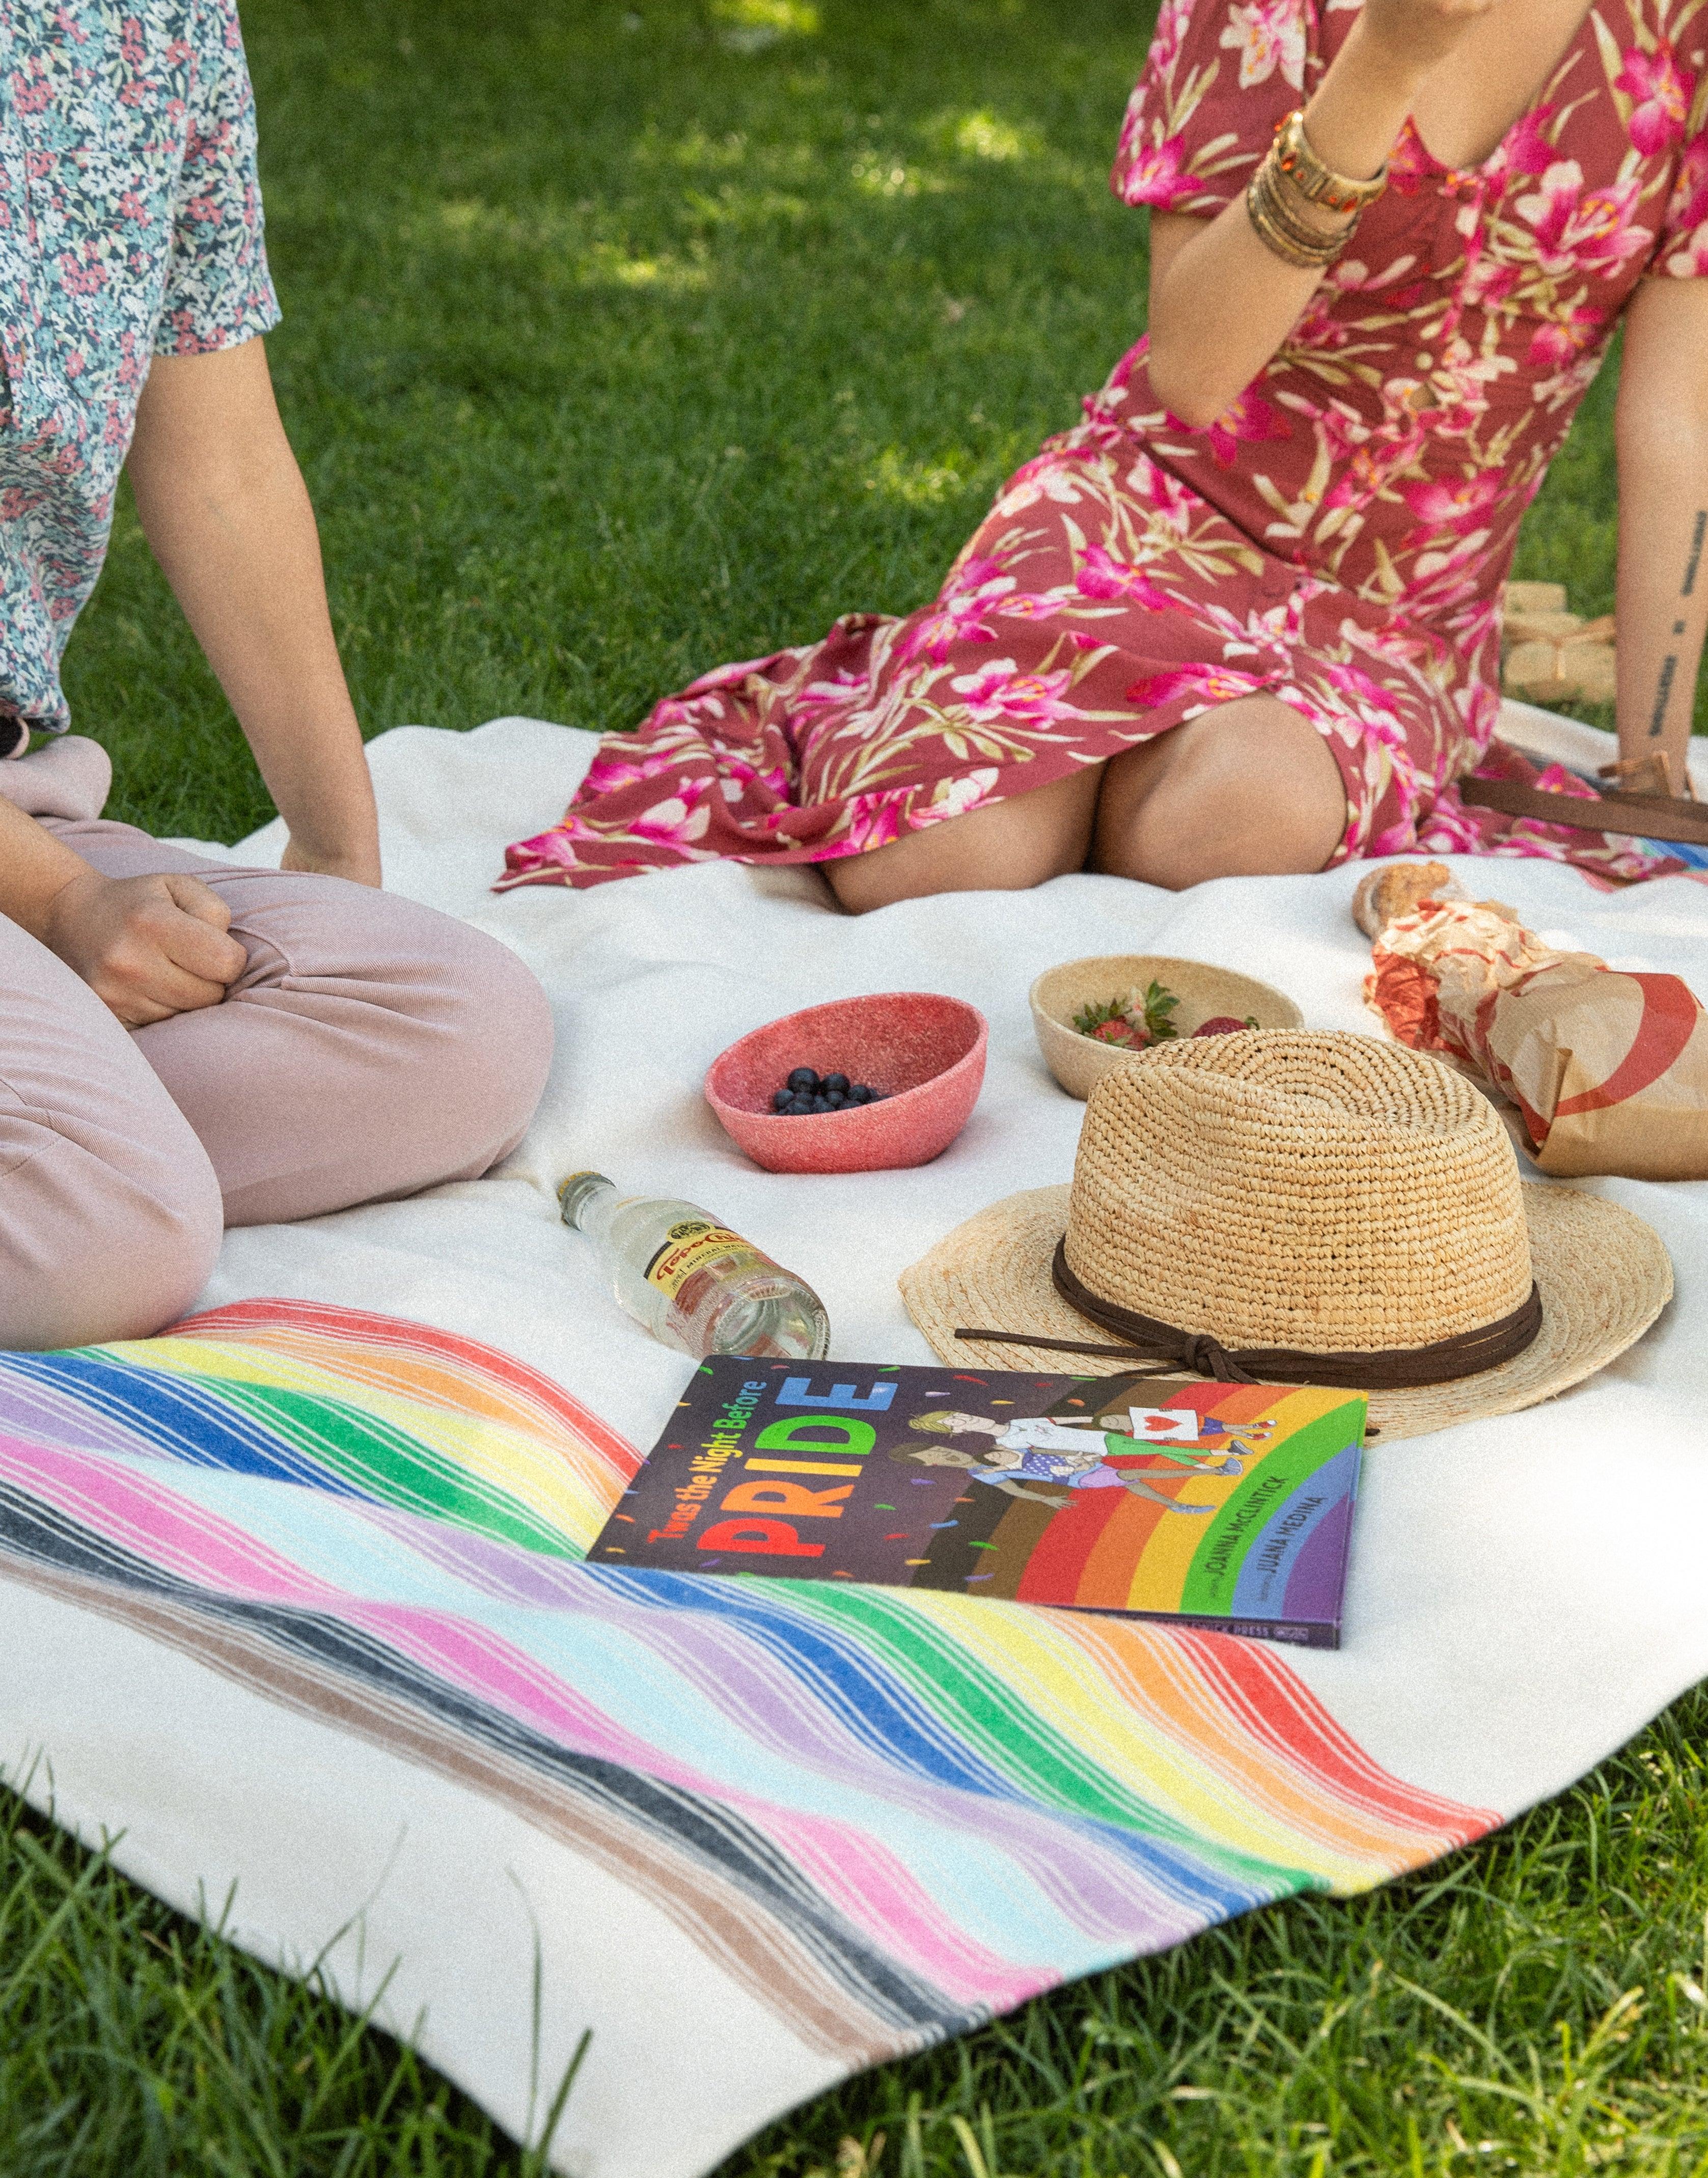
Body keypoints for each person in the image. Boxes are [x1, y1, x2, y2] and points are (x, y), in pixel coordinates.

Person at [501, 0, 1708, 905]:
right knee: (934, 855)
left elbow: (1674, 427)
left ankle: (1109, 764)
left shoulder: (1683, 35)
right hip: (1147, 515)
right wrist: (1384, 64)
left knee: (1234, 827)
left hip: (1394, 619)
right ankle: (982, 725)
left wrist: (1654, 756)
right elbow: (1192, 369)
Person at [0, 1, 552, 1351]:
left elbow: (222, 462)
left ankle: (76, 1137)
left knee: (459, 1033)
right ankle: (87, 1166)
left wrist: (332, 845)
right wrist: (64, 906)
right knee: (112, 1225)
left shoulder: (153, 21)